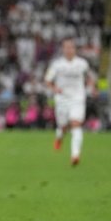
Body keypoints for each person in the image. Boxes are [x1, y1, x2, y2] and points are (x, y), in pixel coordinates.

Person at [45, 38, 95, 166]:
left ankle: (75, 155)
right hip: (62, 99)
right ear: (63, 49)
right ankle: (59, 137)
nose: (69, 50)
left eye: (71, 47)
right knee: (63, 126)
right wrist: (54, 88)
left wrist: (92, 88)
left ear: (75, 49)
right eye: (66, 47)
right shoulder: (57, 64)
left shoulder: (82, 63)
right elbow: (48, 80)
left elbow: (89, 78)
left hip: (77, 98)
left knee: (76, 123)